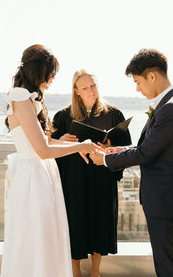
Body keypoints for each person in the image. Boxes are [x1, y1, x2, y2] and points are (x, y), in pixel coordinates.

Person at [0, 45, 102, 277]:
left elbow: (46, 142)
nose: (53, 78)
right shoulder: (20, 97)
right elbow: (43, 149)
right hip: (33, 178)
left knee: (43, 237)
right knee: (34, 238)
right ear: (39, 71)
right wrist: (80, 146)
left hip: (40, 173)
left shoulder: (27, 98)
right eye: (51, 73)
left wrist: (80, 147)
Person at [90, 49, 173, 277]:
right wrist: (120, 149)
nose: (137, 89)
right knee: (165, 260)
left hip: (164, 198)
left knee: (166, 264)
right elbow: (151, 147)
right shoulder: (170, 104)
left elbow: (146, 153)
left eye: (138, 82)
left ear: (152, 77)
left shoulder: (172, 109)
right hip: (164, 196)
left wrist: (105, 159)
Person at [51, 69, 132, 277]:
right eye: (85, 87)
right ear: (76, 91)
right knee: (74, 222)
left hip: (102, 178)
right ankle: (75, 271)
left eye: (93, 85)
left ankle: (96, 271)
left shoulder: (114, 114)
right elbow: (51, 151)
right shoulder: (62, 117)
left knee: (101, 221)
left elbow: (127, 148)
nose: (91, 91)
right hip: (74, 180)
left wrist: (111, 145)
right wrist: (63, 142)